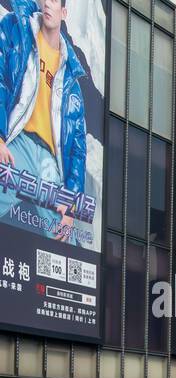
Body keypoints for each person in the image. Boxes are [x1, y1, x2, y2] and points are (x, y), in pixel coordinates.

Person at [0, 0, 92, 246]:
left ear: (64, 12)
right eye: (45, 0)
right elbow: (1, 81)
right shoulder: (19, 30)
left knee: (63, 233)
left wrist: (72, 202)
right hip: (18, 140)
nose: (47, 5)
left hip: (48, 160)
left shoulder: (72, 77)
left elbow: (78, 149)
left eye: (54, 1)